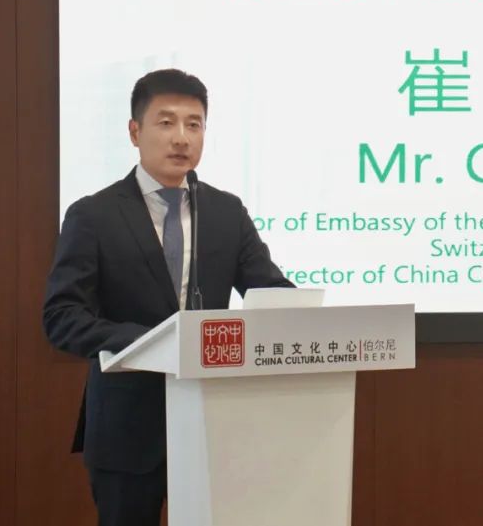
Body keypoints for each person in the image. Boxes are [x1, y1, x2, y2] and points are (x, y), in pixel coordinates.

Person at [43, 68, 294, 526]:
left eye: (194, 124)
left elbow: (270, 291)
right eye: (166, 122)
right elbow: (62, 316)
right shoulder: (93, 215)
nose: (181, 138)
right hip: (126, 427)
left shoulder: (226, 211)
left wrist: (295, 315)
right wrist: (151, 343)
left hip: (213, 423)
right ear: (134, 132)